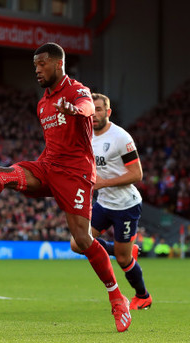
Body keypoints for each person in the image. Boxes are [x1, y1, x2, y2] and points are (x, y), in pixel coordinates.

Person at [0, 42, 132, 332]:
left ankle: (117, 297)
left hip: (75, 174)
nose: (36, 70)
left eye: (42, 64)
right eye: (34, 65)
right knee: (2, 174)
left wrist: (75, 109)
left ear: (58, 65)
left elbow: (87, 107)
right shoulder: (42, 103)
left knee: (83, 240)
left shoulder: (77, 90)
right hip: (47, 166)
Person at [70, 93, 152, 310]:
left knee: (125, 262)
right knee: (77, 244)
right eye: (92, 109)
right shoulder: (87, 135)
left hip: (126, 205)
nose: (94, 114)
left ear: (108, 112)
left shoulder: (121, 138)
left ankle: (143, 296)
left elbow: (136, 174)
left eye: (99, 109)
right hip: (104, 204)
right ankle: (120, 249)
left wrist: (104, 183)